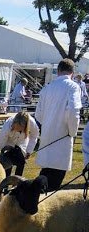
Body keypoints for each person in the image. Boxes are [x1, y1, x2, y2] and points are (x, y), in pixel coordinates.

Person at [34, 58, 82, 191]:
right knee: (53, 183)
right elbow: (73, 111)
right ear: (72, 72)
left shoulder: (47, 88)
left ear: (58, 71)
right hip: (63, 137)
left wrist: (49, 124)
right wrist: (72, 132)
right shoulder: (73, 87)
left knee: (45, 176)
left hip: (47, 137)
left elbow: (38, 115)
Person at [0, 111, 39, 176]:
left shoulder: (32, 123)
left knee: (21, 161)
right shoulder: (7, 125)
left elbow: (34, 136)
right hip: (8, 143)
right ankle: (5, 181)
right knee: (7, 163)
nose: (17, 131)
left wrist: (29, 151)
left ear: (25, 127)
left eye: (20, 130)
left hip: (22, 143)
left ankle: (18, 182)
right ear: (13, 123)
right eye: (15, 128)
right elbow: (1, 142)